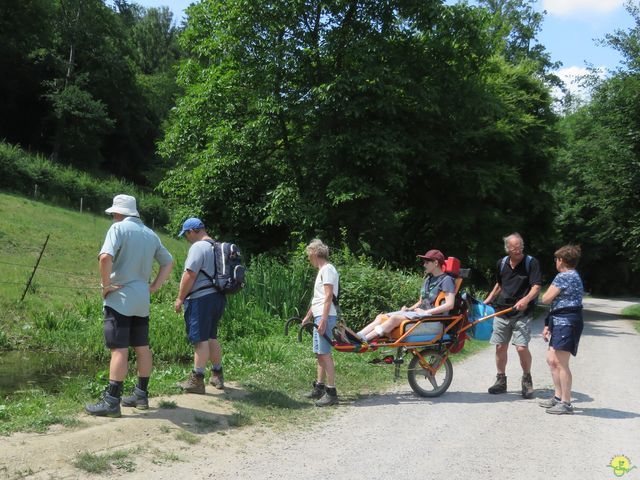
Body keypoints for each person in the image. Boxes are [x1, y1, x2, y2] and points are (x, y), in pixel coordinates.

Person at [85, 194, 173, 417]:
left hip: (120, 298)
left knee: (119, 349)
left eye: (114, 213)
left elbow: (105, 258)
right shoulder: (151, 235)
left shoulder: (118, 229)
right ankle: (141, 395)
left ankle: (112, 401)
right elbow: (168, 262)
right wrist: (153, 287)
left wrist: (106, 285)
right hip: (142, 299)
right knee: (142, 347)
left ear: (118, 212)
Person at [484, 233, 541, 398]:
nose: (518, 250)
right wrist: (488, 300)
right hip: (502, 311)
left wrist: (526, 299)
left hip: (522, 313)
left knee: (521, 347)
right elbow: (499, 284)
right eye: (514, 247)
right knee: (500, 346)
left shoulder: (531, 263)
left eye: (520, 247)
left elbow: (536, 287)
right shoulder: (501, 263)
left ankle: (527, 379)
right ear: (507, 248)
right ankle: (501, 381)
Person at [174, 218, 227, 394]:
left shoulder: (198, 247)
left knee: (200, 340)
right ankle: (217, 374)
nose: (187, 239)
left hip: (201, 298)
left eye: (186, 235)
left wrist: (180, 298)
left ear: (192, 231)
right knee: (211, 337)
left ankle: (197, 380)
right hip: (218, 297)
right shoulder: (216, 246)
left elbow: (190, 274)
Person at [357, 249, 456, 343]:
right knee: (380, 317)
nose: (424, 264)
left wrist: (426, 312)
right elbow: (421, 302)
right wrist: (409, 309)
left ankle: (365, 340)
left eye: (427, 262)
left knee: (394, 319)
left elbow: (450, 305)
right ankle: (358, 336)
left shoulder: (447, 280)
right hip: (420, 315)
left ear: (436, 263)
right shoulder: (428, 280)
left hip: (432, 321)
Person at [539, 245, 584, 415]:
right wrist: (548, 324)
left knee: (561, 363)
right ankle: (558, 397)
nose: (555, 262)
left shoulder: (564, 276)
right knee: (551, 359)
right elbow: (556, 304)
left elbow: (546, 298)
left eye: (556, 259)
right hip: (560, 321)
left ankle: (566, 403)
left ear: (561, 260)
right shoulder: (573, 276)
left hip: (567, 322)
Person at [301, 239, 340, 407]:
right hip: (319, 315)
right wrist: (308, 316)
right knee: (319, 353)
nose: (309, 258)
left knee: (325, 353)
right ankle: (319, 387)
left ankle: (331, 392)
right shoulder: (322, 270)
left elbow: (329, 296)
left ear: (315, 254)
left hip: (326, 316)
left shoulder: (328, 270)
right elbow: (319, 298)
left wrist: (323, 319)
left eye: (309, 255)